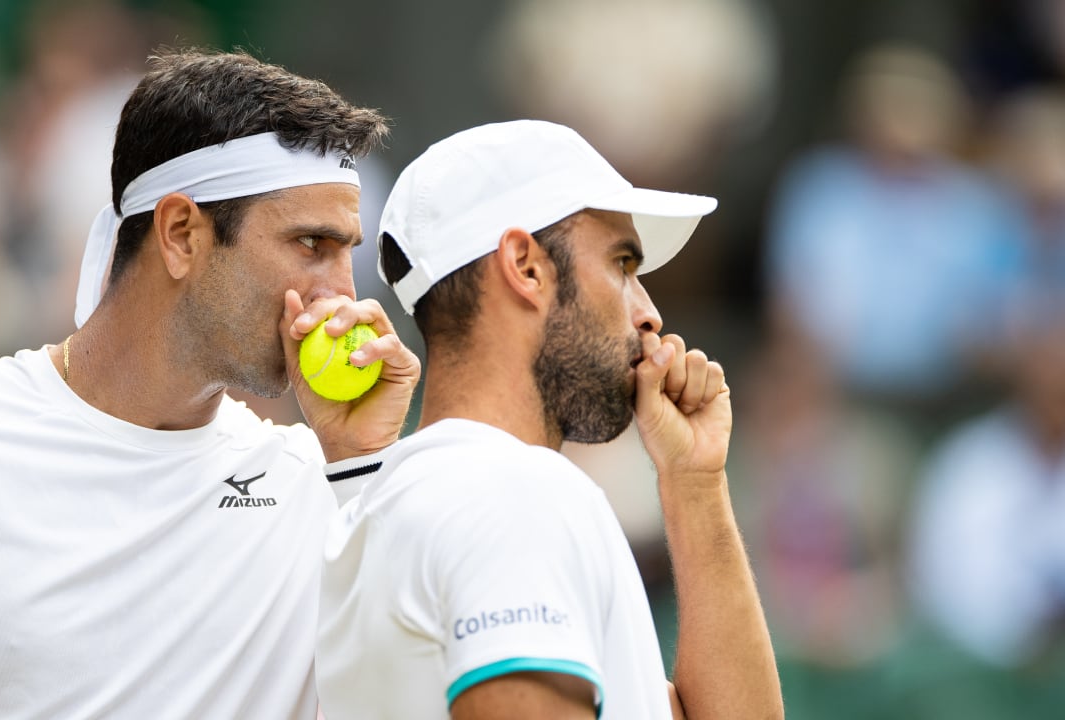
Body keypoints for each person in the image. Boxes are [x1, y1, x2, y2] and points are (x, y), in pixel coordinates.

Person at [0, 49, 419, 719]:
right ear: (180, 234)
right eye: (311, 245)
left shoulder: (321, 489)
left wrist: (361, 466)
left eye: (346, 253)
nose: (342, 296)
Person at [316, 120, 783, 719]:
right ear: (526, 266)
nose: (650, 314)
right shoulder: (511, 493)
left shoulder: (393, 502)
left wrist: (696, 483)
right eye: (623, 264)